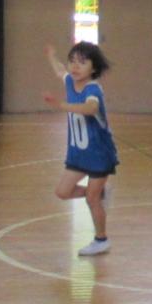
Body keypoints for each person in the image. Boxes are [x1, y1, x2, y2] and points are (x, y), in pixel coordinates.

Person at [44, 41, 117, 257]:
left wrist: (62, 106)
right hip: (78, 153)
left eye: (82, 62)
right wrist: (51, 55)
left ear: (93, 69)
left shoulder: (93, 89)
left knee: (92, 200)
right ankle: (101, 193)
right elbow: (60, 71)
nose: (75, 66)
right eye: (72, 61)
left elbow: (91, 107)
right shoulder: (69, 81)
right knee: (62, 192)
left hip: (99, 153)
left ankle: (101, 240)